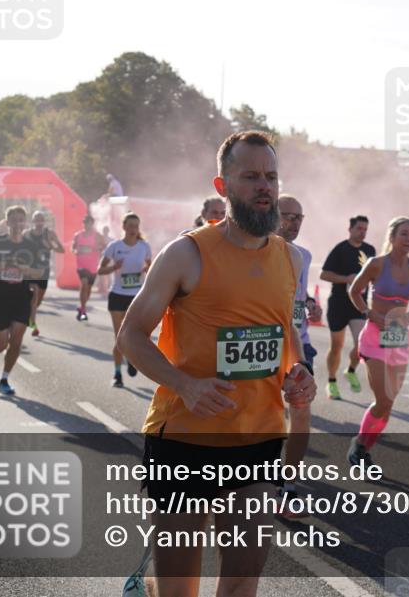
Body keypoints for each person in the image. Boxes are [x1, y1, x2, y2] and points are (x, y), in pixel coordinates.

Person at [117, 130, 315, 597]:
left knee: (243, 578)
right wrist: (184, 384)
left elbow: (284, 335)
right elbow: (131, 335)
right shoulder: (186, 253)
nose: (264, 186)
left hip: (258, 437)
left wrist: (300, 374)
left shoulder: (289, 259)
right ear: (223, 186)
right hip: (185, 439)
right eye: (250, 177)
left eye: (271, 176)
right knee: (179, 587)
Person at [347, 217, 409, 470]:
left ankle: (364, 450)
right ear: (392, 237)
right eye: (404, 234)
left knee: (389, 402)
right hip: (374, 337)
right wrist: (368, 313)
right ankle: (360, 443)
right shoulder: (376, 264)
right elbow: (354, 291)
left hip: (399, 339)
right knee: (383, 399)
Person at [275, 193, 323, 517]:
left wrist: (310, 305)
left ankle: (287, 486)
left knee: (301, 414)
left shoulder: (303, 255)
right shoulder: (255, 253)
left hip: (299, 345)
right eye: (287, 215)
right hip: (264, 346)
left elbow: (299, 297)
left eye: (298, 217)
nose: (293, 223)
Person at [0, 206, 41, 396]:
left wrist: (25, 270)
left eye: (21, 220)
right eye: (14, 220)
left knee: (17, 341)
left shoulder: (31, 246)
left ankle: (4, 379)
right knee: (0, 346)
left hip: (21, 299)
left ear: (25, 223)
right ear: (7, 222)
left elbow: (39, 272)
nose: (18, 224)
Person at [320, 215, 375, 399]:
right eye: (359, 228)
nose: (363, 232)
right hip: (338, 304)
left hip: (358, 305)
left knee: (362, 344)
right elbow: (324, 274)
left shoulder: (370, 250)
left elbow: (375, 276)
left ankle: (351, 370)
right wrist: (347, 279)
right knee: (337, 346)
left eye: (365, 229)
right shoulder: (340, 249)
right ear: (350, 229)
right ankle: (331, 381)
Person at [99, 212, 152, 387]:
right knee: (120, 338)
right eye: (129, 226)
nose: (133, 230)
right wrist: (115, 266)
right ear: (123, 227)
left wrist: (147, 269)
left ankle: (131, 358)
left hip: (137, 297)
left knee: (135, 335)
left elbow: (150, 268)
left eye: (136, 226)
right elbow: (100, 270)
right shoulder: (114, 246)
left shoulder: (144, 246)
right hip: (117, 296)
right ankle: (117, 374)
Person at [23, 211, 65, 337]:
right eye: (36, 219)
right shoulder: (26, 234)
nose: (39, 222)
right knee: (34, 294)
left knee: (38, 300)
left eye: (41, 219)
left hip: (44, 269)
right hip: (30, 269)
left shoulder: (49, 233)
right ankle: (33, 324)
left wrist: (51, 246)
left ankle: (30, 315)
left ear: (44, 221)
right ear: (33, 221)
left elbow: (62, 250)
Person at [71, 215, 105, 321]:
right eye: (85, 223)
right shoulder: (78, 235)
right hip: (81, 264)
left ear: (92, 224)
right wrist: (75, 251)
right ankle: (84, 309)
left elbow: (103, 246)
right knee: (84, 283)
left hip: (93, 266)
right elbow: (73, 247)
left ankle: (82, 307)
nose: (87, 225)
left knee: (89, 288)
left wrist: (98, 248)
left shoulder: (97, 236)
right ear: (83, 224)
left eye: (89, 223)